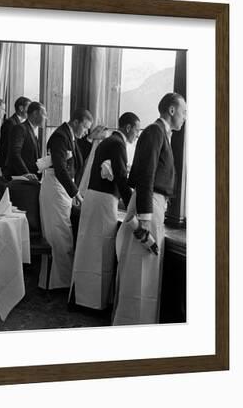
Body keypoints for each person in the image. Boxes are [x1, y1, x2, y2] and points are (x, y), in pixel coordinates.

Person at [113, 93, 186, 325]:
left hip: (153, 205)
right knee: (140, 268)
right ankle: (132, 324)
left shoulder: (162, 134)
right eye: (183, 112)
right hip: (149, 205)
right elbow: (146, 175)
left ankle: (140, 322)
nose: (185, 118)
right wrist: (145, 219)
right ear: (171, 111)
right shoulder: (154, 132)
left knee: (146, 268)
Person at [69, 112, 140, 310]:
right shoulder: (117, 144)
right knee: (100, 250)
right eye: (136, 129)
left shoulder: (109, 142)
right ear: (128, 127)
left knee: (89, 250)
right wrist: (133, 206)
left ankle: (85, 298)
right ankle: (92, 303)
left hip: (95, 200)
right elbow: (120, 177)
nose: (137, 134)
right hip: (103, 202)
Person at [39, 108, 94, 290]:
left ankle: (58, 281)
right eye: (85, 128)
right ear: (76, 122)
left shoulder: (69, 136)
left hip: (60, 188)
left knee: (62, 235)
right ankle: (60, 284)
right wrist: (76, 193)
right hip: (56, 188)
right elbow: (61, 169)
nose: (85, 132)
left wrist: (91, 140)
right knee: (60, 236)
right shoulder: (60, 136)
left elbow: (76, 158)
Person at [4, 101, 46, 180]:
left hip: (31, 180)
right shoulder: (20, 128)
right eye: (44, 114)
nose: (45, 118)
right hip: (20, 179)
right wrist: (26, 173)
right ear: (35, 113)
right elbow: (14, 153)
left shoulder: (32, 130)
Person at [0, 96, 31, 172]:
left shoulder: (20, 123)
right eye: (29, 108)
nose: (30, 112)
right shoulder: (10, 123)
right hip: (6, 165)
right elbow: (7, 146)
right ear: (21, 108)